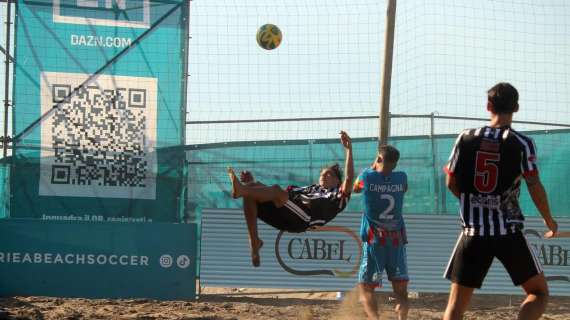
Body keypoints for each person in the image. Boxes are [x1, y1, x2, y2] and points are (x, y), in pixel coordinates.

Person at [442, 82, 558, 320]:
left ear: (488, 106)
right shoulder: (521, 143)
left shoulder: (465, 138)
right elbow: (534, 185)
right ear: (516, 107)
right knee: (538, 293)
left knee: (455, 307)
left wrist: (474, 203)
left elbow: (450, 182)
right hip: (508, 232)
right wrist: (549, 219)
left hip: (473, 232)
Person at [227, 130, 354, 267]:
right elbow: (282, 196)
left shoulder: (338, 194)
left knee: (268, 189)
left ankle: (242, 190)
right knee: (251, 190)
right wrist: (252, 184)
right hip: (287, 213)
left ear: (337, 181)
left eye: (328, 174)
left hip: (303, 219)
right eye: (322, 173)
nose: (324, 175)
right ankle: (254, 242)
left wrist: (348, 150)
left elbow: (349, 178)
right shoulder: (311, 188)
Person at [353, 145, 409, 320]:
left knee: (366, 286)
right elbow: (404, 189)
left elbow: (355, 188)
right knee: (400, 289)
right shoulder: (401, 177)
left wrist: (373, 166)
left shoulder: (367, 176)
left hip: (374, 241)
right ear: (395, 163)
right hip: (396, 240)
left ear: (378, 159)